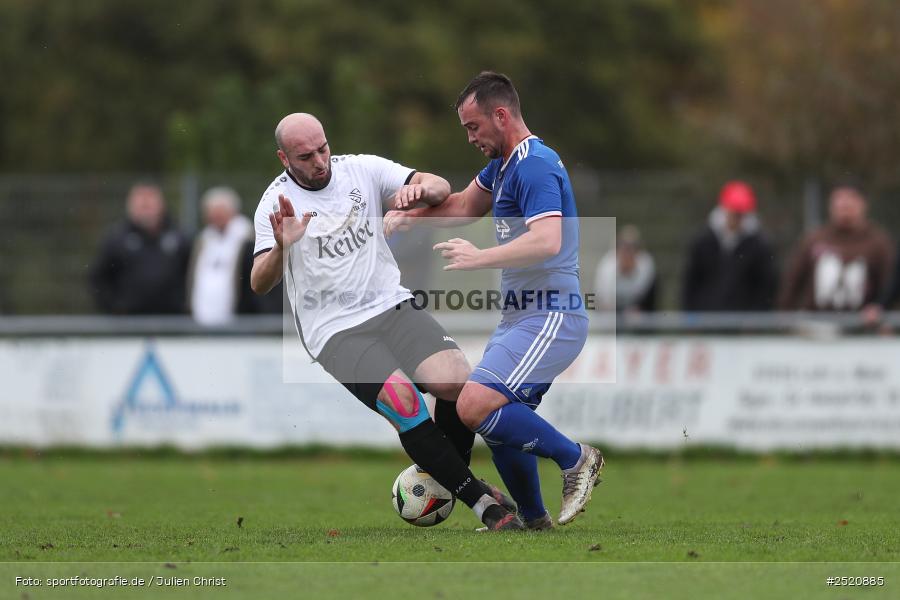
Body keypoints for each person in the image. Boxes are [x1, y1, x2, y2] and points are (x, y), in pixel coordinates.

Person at [250, 113, 523, 531]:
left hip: (390, 304)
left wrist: (420, 189)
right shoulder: (275, 204)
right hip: (334, 330)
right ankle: (482, 504)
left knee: (456, 382)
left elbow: (439, 186)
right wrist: (282, 248)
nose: (320, 160)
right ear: (284, 157)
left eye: (323, 148)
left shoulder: (360, 168)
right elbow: (258, 282)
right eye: (306, 156)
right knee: (404, 404)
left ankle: (450, 478)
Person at [385, 72, 603, 529]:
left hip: (551, 314)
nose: (470, 138)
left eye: (473, 127)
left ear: (501, 115)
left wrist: (481, 257)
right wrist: (413, 216)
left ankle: (576, 458)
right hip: (521, 317)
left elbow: (546, 240)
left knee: (472, 405)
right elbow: (463, 206)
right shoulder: (503, 167)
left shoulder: (534, 164)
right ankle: (533, 518)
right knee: (497, 416)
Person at [779, 183, 893, 311]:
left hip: (862, 324)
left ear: (863, 204)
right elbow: (793, 281)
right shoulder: (814, 239)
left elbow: (889, 285)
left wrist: (883, 312)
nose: (844, 204)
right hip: (817, 322)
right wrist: (785, 316)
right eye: (839, 199)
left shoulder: (878, 243)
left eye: (851, 199)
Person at [89, 181, 191, 314]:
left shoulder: (180, 237)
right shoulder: (116, 239)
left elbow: (193, 275)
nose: (146, 206)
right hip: (129, 324)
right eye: (141, 202)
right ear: (130, 205)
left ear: (162, 204)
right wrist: (115, 308)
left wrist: (184, 305)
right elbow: (98, 278)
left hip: (173, 322)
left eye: (150, 201)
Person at [682, 181, 777, 312]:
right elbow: (691, 281)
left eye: (741, 214)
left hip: (744, 321)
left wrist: (756, 318)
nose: (737, 218)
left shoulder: (759, 246)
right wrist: (691, 315)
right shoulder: (703, 241)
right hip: (707, 319)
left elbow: (766, 286)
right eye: (734, 212)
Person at [188, 186, 254, 326]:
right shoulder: (203, 239)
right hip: (202, 320)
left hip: (240, 320)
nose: (216, 216)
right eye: (212, 212)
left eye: (220, 211)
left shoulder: (248, 239)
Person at [595, 225, 658, 313]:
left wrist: (639, 308)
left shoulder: (646, 267)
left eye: (632, 248)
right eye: (624, 248)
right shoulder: (606, 269)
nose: (627, 253)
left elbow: (649, 299)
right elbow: (600, 300)